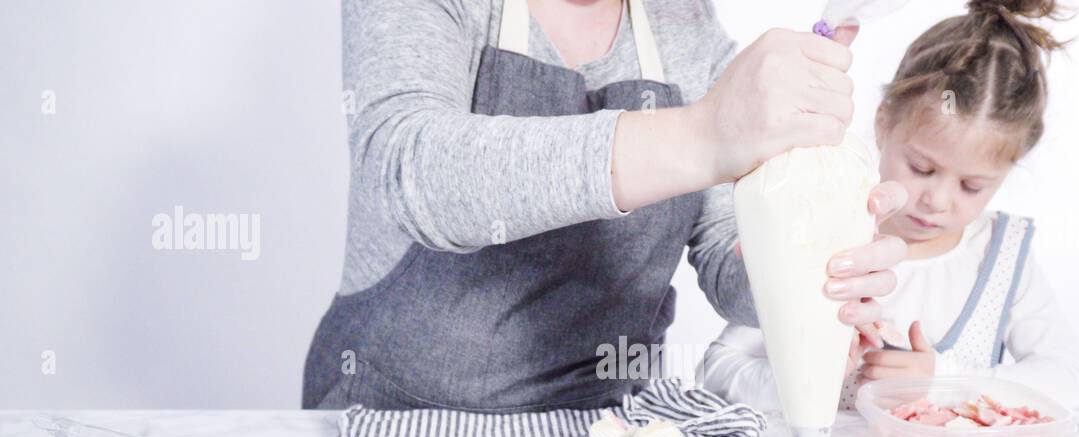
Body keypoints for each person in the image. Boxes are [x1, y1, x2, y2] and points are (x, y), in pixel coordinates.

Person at [302, 0, 906, 412]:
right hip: (390, 421)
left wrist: (807, 267)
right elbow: (411, 169)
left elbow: (728, 257)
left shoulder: (682, 25)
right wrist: (703, 135)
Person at [697, 0, 1079, 413]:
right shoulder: (830, 234)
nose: (936, 200)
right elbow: (715, 371)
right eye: (921, 168)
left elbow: (1068, 379)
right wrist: (809, 376)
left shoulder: (1004, 255)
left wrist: (941, 381)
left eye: (972, 186)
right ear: (884, 122)